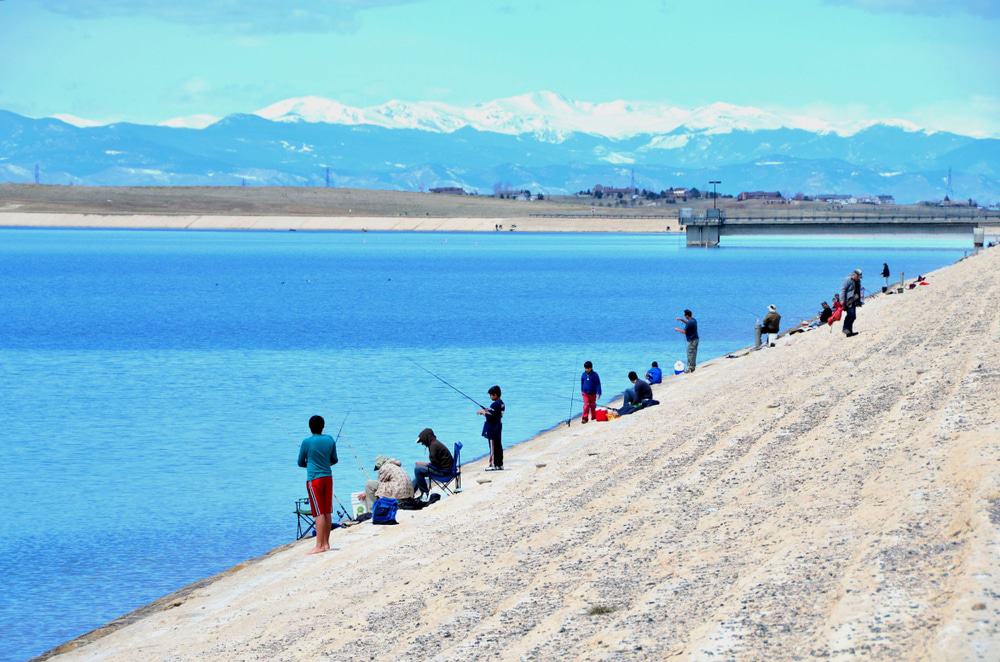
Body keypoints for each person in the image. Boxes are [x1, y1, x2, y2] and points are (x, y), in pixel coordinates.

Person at [297, 415, 339, 555]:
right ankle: (326, 543)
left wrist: (311, 464)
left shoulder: (306, 442)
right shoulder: (330, 439)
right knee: (327, 511)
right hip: (328, 477)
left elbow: (300, 462)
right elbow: (334, 460)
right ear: (323, 426)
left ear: (310, 427)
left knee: (318, 513)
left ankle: (319, 545)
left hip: (314, 479)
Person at [413, 428, 453, 499]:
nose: (422, 443)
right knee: (418, 472)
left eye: (422, 441)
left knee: (417, 470)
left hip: (444, 472)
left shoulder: (433, 446)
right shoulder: (435, 443)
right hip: (447, 470)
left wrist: (425, 464)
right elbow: (436, 462)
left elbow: (435, 464)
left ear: (427, 438)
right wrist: (425, 464)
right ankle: (411, 494)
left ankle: (424, 493)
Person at [478, 385, 505, 471]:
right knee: (498, 445)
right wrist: (487, 410)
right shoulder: (501, 403)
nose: (490, 397)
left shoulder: (495, 404)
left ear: (495, 395)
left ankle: (493, 464)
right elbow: (495, 413)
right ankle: (499, 464)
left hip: (492, 428)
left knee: (492, 446)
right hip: (498, 427)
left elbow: (491, 416)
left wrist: (483, 412)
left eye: (491, 395)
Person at [841, 268, 863, 337]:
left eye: (860, 277)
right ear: (855, 275)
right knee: (851, 315)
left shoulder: (858, 281)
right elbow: (843, 290)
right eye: (858, 276)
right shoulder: (847, 279)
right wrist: (842, 301)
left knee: (853, 316)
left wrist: (859, 301)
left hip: (854, 300)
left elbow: (858, 291)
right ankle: (845, 328)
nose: (859, 278)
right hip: (848, 301)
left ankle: (849, 332)